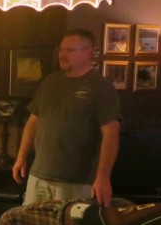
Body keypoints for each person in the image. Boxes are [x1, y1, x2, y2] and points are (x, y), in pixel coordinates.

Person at [12, 29, 121, 206]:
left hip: (75, 181)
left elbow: (111, 135)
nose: (62, 55)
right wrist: (21, 156)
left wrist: (103, 177)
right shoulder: (50, 82)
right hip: (38, 175)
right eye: (61, 50)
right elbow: (33, 122)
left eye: (70, 50)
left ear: (87, 52)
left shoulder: (101, 88)